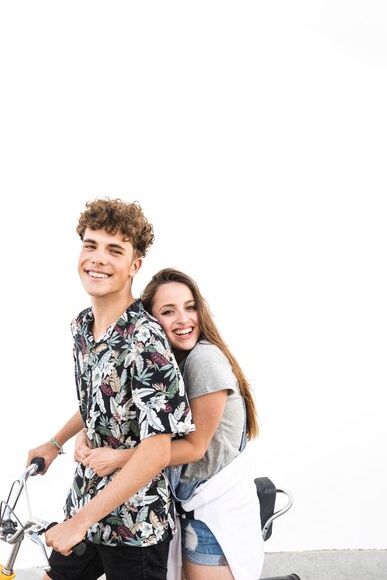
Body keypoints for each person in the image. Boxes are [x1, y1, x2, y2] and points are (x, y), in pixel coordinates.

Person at [27, 200, 194, 580]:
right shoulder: (83, 327)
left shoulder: (145, 339)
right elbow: (98, 400)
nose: (98, 259)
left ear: (135, 266)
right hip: (88, 502)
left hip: (135, 523)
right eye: (91, 245)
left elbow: (157, 451)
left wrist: (78, 523)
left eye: (114, 250)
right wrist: (55, 443)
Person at [74, 268, 264, 580]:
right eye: (168, 311)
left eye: (190, 308)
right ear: (149, 319)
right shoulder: (164, 360)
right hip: (186, 500)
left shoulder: (204, 361)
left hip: (214, 507)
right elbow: (115, 401)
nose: (184, 320)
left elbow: (194, 447)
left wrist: (117, 458)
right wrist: (81, 431)